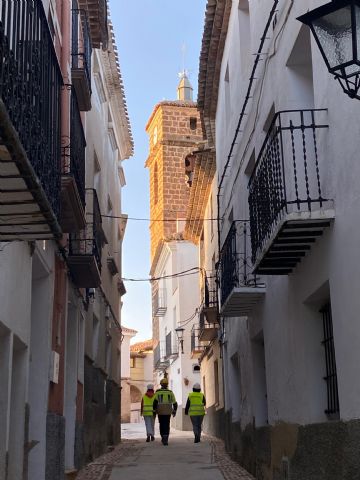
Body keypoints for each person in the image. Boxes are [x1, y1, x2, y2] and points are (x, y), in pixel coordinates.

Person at [153, 377, 177, 445]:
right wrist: (174, 410)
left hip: (160, 411)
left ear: (161, 384)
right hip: (168, 411)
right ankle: (166, 438)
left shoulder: (158, 392)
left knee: (161, 424)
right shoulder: (170, 392)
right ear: (167, 384)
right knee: (167, 424)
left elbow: (155, 402)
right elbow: (175, 403)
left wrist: (154, 410)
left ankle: (163, 437)